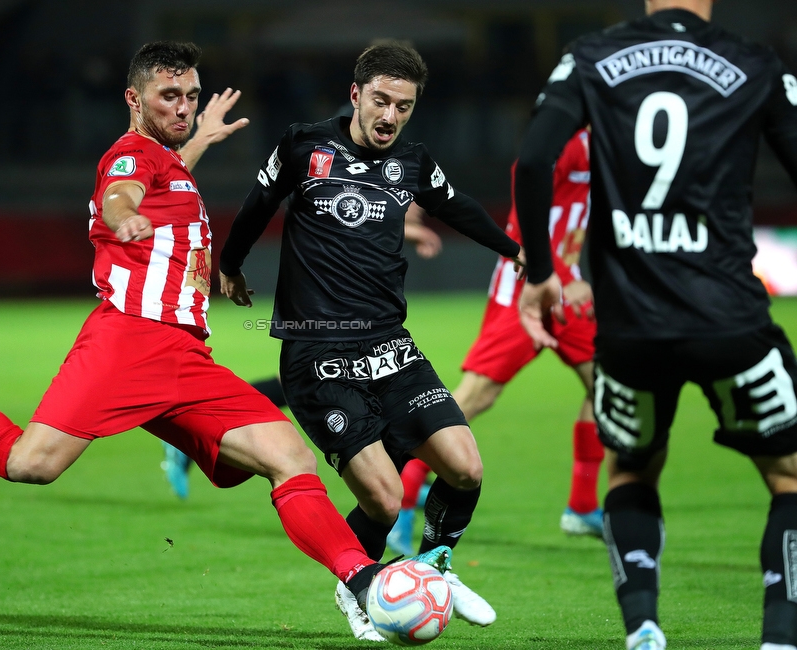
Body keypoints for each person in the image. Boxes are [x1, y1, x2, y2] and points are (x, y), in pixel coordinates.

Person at [0, 40, 449, 619]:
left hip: (185, 355)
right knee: (33, 464)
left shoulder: (168, 162)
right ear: (134, 98)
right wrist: (122, 216)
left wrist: (199, 141)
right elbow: (121, 189)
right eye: (169, 96)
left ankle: (364, 581)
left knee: (290, 457)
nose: (183, 107)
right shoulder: (129, 157)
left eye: (191, 97)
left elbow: (162, 179)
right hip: (126, 342)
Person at [218, 41, 524, 641]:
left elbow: (455, 206)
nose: (390, 117)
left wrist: (516, 251)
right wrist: (230, 265)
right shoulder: (304, 144)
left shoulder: (411, 161)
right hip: (318, 357)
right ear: (355, 94)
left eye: (403, 107)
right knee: (384, 501)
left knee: (465, 467)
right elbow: (257, 205)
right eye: (380, 101)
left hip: (391, 346)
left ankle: (434, 568)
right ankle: (356, 585)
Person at [515, 2, 797, 649]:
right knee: (787, 476)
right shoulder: (753, 62)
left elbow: (532, 160)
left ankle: (643, 625)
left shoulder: (589, 57)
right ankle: (780, 638)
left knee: (633, 471)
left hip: (630, 325)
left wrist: (540, 271)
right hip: (728, 316)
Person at [389, 129, 602, 555]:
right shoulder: (561, 140)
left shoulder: (614, 140)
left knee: (610, 385)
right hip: (526, 286)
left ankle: (582, 504)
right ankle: (403, 500)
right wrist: (552, 270)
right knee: (475, 397)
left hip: (567, 287)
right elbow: (526, 212)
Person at [166, 206, 441, 501]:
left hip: (347, 318)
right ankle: (408, 483)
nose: (420, 207)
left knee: (322, 388)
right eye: (415, 200)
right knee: (343, 387)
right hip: (323, 314)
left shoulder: (373, 197)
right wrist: (408, 230)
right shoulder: (363, 192)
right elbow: (350, 221)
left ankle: (405, 481)